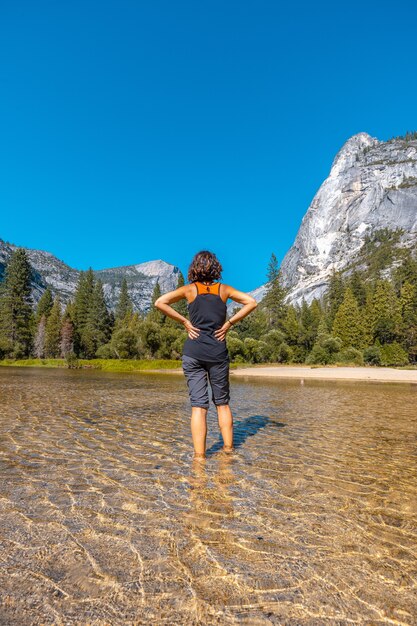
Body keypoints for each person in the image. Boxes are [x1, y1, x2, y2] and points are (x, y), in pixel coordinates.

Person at [154, 250, 257, 459]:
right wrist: (229, 324)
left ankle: (199, 459)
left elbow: (160, 302)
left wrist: (184, 321)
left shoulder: (190, 290)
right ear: (215, 267)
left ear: (195, 268)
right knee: (222, 404)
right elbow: (251, 301)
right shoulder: (224, 290)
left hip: (193, 352)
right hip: (218, 352)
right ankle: (228, 452)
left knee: (199, 407)